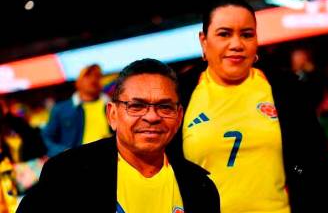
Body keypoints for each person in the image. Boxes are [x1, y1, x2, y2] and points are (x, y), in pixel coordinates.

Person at [167, 0, 328, 213]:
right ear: (204, 41)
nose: (236, 44)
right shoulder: (177, 96)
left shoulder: (287, 91)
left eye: (247, 34)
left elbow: (318, 174)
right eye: (224, 34)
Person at [16, 58, 220, 213]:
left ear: (179, 116)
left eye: (164, 107)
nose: (151, 116)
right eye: (136, 106)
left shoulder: (200, 188)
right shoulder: (67, 176)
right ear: (112, 115)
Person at [42, 64, 111, 157]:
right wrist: (64, 152)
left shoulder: (113, 106)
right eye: (88, 75)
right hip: (77, 162)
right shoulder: (61, 109)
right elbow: (46, 138)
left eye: (98, 76)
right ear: (78, 82)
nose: (93, 79)